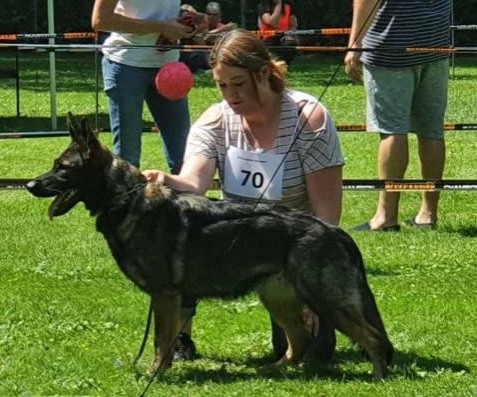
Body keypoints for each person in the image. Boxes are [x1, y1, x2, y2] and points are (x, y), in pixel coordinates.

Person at [143, 29, 344, 362]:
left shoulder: (310, 119)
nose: (230, 95)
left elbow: (326, 218)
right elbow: (194, 183)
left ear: (263, 74)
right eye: (222, 85)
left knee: (312, 353)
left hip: (293, 249)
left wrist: (314, 289)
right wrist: (165, 179)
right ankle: (178, 339)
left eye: (238, 84)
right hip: (237, 244)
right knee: (180, 237)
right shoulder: (216, 120)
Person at [344, 0, 451, 231]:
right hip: (436, 44)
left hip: (390, 47)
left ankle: (386, 217)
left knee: (392, 130)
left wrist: (355, 43)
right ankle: (428, 214)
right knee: (432, 130)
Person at [91, 0, 193, 172]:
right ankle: (127, 199)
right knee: (127, 161)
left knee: (184, 157)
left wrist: (187, 19)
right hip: (125, 66)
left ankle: (189, 199)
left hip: (169, 68)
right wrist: (161, 27)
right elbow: (100, 20)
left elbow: (159, 12)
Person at [257, 0, 298, 65]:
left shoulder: (288, 6)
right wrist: (279, 5)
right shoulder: (263, 6)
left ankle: (284, 66)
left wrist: (289, 35)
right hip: (268, 38)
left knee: (290, 43)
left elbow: (293, 25)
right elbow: (273, 23)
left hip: (283, 36)